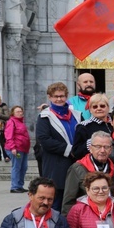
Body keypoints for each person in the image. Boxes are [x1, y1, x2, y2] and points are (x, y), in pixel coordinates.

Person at [36, 82, 77, 212]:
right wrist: (69, 149)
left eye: (62, 96)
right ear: (49, 97)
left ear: (67, 96)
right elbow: (44, 140)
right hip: (56, 164)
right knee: (56, 202)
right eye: (55, 96)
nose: (59, 99)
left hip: (75, 162)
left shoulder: (76, 114)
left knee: (73, 200)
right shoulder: (44, 116)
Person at [62, 131, 114, 217]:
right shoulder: (77, 169)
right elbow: (68, 201)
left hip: (111, 215)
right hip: (85, 216)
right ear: (90, 148)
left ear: (111, 150)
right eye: (98, 147)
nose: (102, 150)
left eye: (106, 147)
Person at [72, 93, 113, 160]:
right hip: (92, 165)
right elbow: (76, 152)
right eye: (95, 107)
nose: (99, 108)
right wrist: (92, 143)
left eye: (102, 106)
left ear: (108, 108)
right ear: (90, 109)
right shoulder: (83, 126)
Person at [4, 105, 30, 193]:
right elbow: (9, 136)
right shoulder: (11, 122)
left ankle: (20, 185)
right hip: (16, 148)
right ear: (13, 113)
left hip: (23, 149)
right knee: (17, 167)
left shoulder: (21, 122)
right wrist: (12, 147)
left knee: (23, 167)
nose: (20, 113)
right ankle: (15, 186)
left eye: (21, 111)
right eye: (17, 112)